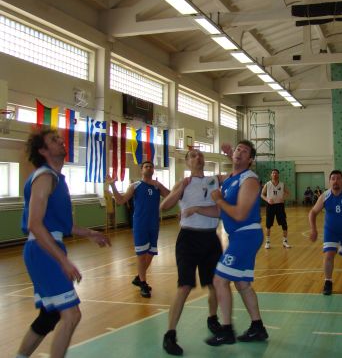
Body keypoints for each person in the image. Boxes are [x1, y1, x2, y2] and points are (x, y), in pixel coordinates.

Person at [16, 128, 110, 358]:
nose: (60, 141)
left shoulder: (56, 179)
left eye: (59, 138)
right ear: (43, 150)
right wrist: (63, 261)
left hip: (46, 247)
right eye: (53, 140)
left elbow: (60, 225)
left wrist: (90, 233)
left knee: (49, 316)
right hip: (42, 250)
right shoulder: (44, 177)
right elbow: (35, 224)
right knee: (72, 315)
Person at [160, 149, 223, 356]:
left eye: (200, 154)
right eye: (193, 155)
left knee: (215, 284)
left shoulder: (214, 180)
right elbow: (164, 206)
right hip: (188, 239)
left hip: (210, 238)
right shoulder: (182, 184)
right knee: (184, 286)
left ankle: (213, 319)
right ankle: (170, 334)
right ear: (187, 162)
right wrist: (180, 189)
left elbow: (233, 177)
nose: (198, 157)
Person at [205, 140, 268, 346]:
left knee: (219, 280)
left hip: (246, 235)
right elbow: (221, 211)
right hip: (239, 236)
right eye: (238, 149)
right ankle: (258, 327)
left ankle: (226, 331)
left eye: (245, 151)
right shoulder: (231, 179)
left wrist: (219, 200)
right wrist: (195, 210)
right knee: (242, 284)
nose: (239, 152)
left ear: (250, 160)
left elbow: (239, 214)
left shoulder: (249, 179)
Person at [105, 161, 170, 297]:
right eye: (146, 166)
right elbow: (120, 200)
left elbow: (170, 196)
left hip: (154, 224)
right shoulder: (135, 186)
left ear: (153, 170)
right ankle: (143, 282)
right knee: (141, 255)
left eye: (151, 166)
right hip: (140, 224)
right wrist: (112, 185)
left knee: (151, 253)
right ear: (141, 170)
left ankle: (138, 277)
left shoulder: (157, 186)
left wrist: (161, 186)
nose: (149, 168)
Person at [261, 169, 290, 249]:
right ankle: (267, 242)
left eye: (276, 173)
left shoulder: (282, 184)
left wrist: (283, 198)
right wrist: (267, 200)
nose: (274, 174)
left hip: (280, 206)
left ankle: (285, 242)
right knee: (268, 225)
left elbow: (288, 193)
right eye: (273, 173)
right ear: (271, 175)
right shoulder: (267, 184)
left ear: (278, 175)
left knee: (284, 224)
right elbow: (262, 195)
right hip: (270, 206)